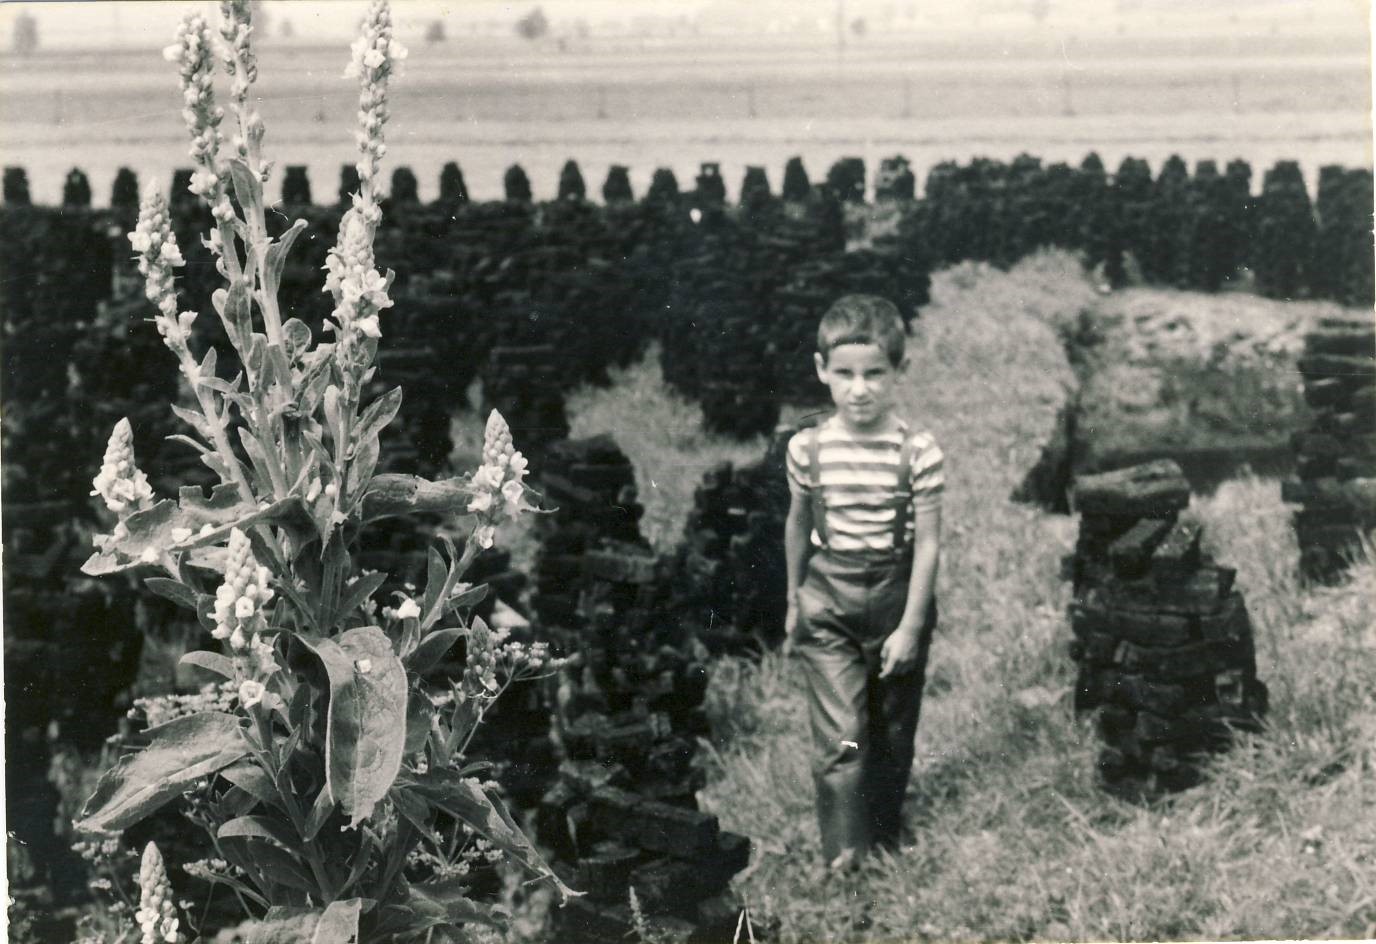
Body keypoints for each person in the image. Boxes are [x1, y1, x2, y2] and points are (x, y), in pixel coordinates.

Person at [783, 293, 944, 871]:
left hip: (898, 600)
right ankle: (845, 859)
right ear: (822, 371)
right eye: (845, 374)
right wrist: (792, 601)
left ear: (899, 372)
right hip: (828, 599)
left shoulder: (918, 452)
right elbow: (798, 525)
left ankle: (883, 835)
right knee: (842, 736)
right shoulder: (808, 449)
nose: (860, 389)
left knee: (891, 731)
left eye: (875, 373)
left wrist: (911, 627)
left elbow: (927, 543)